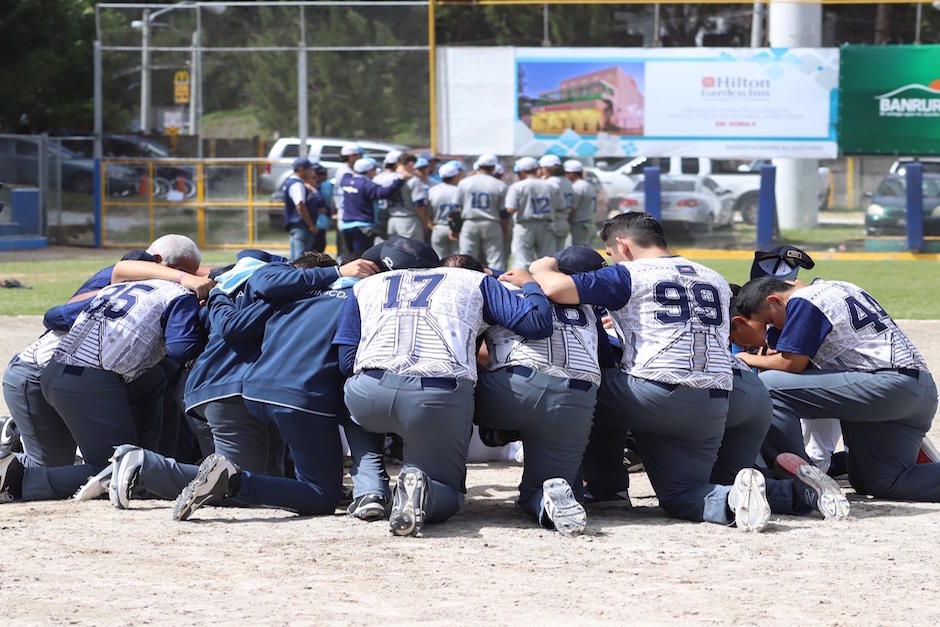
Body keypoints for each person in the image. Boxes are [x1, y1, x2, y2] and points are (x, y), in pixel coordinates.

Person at [528, 213, 773, 531]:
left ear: (622, 245)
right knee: (682, 496)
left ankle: (597, 489)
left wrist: (539, 269)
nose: (612, 259)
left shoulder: (630, 273)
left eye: (610, 252)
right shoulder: (712, 276)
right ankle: (731, 499)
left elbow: (558, 289)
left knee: (576, 388)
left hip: (652, 392)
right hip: (714, 400)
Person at [333, 236, 554, 537]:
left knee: (349, 395)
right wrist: (530, 285)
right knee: (447, 494)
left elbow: (346, 362)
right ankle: (422, 490)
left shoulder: (362, 287)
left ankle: (370, 487)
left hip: (369, 393)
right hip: (436, 395)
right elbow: (536, 325)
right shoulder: (470, 279)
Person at [171, 251, 387, 521]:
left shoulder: (275, 294)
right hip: (244, 391)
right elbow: (232, 325)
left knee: (277, 480)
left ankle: (235, 480)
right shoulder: (281, 288)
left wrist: (217, 297)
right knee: (317, 495)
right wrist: (337, 273)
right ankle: (150, 468)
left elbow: (207, 335)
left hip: (249, 389)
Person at [0, 238, 205, 503]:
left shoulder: (118, 287)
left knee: (53, 467)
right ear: (155, 263)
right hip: (40, 373)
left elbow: (56, 316)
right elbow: (182, 349)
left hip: (56, 370)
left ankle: (14, 452)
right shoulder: (156, 287)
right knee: (118, 468)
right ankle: (14, 479)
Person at [734, 276, 940, 502]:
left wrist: (743, 357)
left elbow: (791, 364)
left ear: (774, 300)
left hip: (889, 386)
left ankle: (800, 479)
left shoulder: (804, 299)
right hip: (915, 390)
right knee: (880, 481)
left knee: (770, 386)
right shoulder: (839, 287)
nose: (774, 327)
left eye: (771, 320)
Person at [476, 246, 608, 536]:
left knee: (446, 392)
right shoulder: (585, 302)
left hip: (511, 389)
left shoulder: (505, 286)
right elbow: (606, 358)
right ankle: (548, 502)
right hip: (574, 399)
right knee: (543, 488)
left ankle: (436, 479)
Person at [339, 157, 411, 259]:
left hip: (346, 226)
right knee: (361, 258)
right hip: (363, 227)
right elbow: (384, 193)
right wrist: (400, 180)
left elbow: (347, 174)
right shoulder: (367, 184)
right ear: (369, 171)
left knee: (349, 257)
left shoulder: (346, 180)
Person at [505, 157, 562, 269]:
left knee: (523, 260)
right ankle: (546, 284)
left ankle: (524, 285)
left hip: (525, 225)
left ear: (522, 171)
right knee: (546, 261)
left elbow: (510, 209)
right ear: (537, 169)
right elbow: (561, 207)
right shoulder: (551, 185)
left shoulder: (517, 186)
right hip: (546, 224)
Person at [456, 153, 509, 270]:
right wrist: (505, 230)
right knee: (495, 258)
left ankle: (464, 284)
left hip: (469, 222)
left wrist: (455, 228)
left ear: (478, 166)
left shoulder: (464, 182)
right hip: (492, 222)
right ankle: (497, 283)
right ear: (494, 167)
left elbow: (457, 208)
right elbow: (503, 212)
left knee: (466, 257)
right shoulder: (500, 184)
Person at [374, 151, 430, 241]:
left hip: (391, 220)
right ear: (410, 163)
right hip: (408, 221)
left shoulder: (380, 178)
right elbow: (419, 205)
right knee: (412, 253)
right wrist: (426, 222)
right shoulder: (412, 180)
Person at [284, 157, 320, 261]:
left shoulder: (295, 182)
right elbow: (300, 205)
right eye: (309, 169)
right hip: (301, 226)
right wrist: (311, 225)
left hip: (300, 226)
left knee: (298, 258)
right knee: (301, 260)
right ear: (301, 169)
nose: (312, 172)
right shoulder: (296, 184)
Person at [332, 143, 363, 262]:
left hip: (345, 211)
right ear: (350, 156)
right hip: (345, 212)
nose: (359, 157)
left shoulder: (348, 169)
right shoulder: (345, 171)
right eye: (357, 155)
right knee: (346, 250)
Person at [427, 161, 463, 259]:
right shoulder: (459, 190)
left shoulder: (433, 190)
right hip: (457, 228)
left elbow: (427, 210)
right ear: (455, 176)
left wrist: (430, 224)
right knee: (457, 260)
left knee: (439, 260)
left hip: (438, 226)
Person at [539, 155, 574, 250]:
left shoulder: (549, 183)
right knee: (560, 254)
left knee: (548, 255)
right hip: (564, 220)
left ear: (546, 168)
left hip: (552, 223)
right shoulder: (568, 182)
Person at [564, 160, 597, 248]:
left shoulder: (577, 187)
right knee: (588, 248)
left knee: (579, 249)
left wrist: (568, 222)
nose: (566, 175)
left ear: (572, 173)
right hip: (589, 221)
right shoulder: (588, 185)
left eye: (567, 173)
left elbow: (573, 208)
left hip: (579, 224)